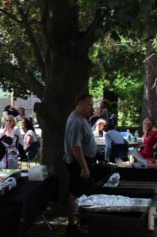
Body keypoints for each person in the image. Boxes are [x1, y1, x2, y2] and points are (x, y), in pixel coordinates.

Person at [63, 93, 97, 235]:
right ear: (80, 104)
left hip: (84, 161)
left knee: (79, 192)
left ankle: (80, 222)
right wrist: (84, 167)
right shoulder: (76, 121)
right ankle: (72, 227)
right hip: (79, 163)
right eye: (89, 105)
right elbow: (75, 147)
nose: (92, 108)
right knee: (75, 193)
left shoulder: (81, 118)